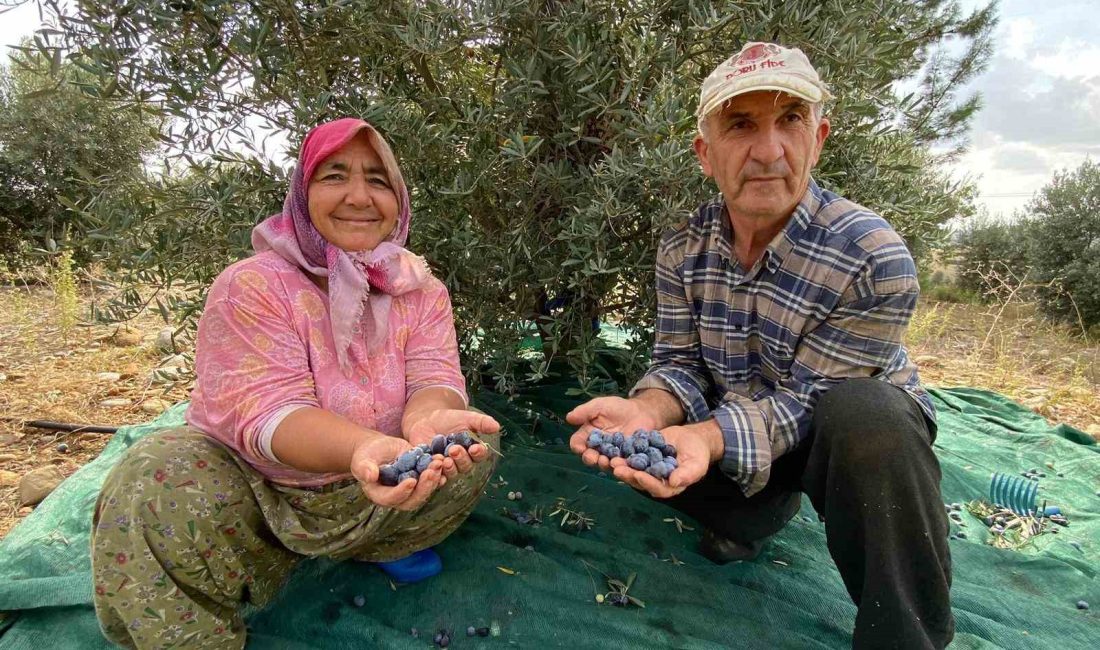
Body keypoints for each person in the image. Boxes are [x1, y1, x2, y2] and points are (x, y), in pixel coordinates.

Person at [567, 43, 953, 648]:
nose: (769, 150)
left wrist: (707, 437)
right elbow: (680, 363)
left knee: (869, 417)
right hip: (737, 424)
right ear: (705, 153)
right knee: (649, 456)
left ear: (818, 138)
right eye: (741, 125)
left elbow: (815, 398)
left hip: (837, 439)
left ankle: (905, 636)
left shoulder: (874, 258)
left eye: (790, 121)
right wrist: (648, 410)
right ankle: (755, 514)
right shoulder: (681, 246)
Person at [90, 118, 501, 649]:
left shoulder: (417, 287)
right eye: (335, 176)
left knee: (471, 443)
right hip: (263, 493)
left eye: (378, 180)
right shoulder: (253, 285)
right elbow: (268, 412)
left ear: (399, 199)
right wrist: (367, 447)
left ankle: (379, 543)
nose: (359, 196)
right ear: (302, 193)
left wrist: (427, 419)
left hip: (373, 480)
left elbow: (433, 374)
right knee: (155, 477)